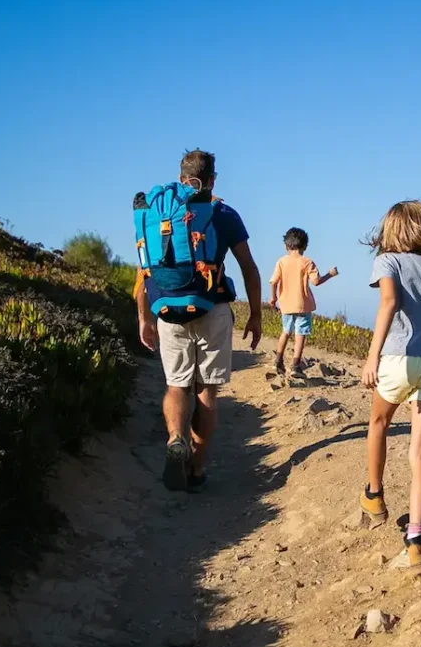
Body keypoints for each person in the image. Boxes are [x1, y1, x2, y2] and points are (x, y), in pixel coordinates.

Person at [135, 149, 263, 493]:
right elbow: (249, 267)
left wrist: (143, 317)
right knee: (207, 391)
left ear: (180, 177)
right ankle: (195, 469)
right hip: (211, 308)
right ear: (213, 180)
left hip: (166, 309)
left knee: (177, 385)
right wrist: (255, 314)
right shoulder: (222, 213)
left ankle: (176, 437)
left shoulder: (157, 212)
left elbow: (144, 268)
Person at [358, 200, 421, 574]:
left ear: (391, 231)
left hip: (399, 358)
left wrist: (373, 357)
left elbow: (388, 302)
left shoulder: (388, 262)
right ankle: (417, 539)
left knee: (379, 424)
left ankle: (374, 496)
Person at [269, 227, 338, 377]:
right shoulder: (307, 262)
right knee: (300, 334)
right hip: (303, 304)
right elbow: (316, 281)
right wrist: (330, 274)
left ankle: (278, 361)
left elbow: (273, 282)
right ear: (305, 246)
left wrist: (273, 298)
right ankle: (295, 366)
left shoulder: (281, 262)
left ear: (286, 246)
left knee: (285, 332)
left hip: (286, 304)